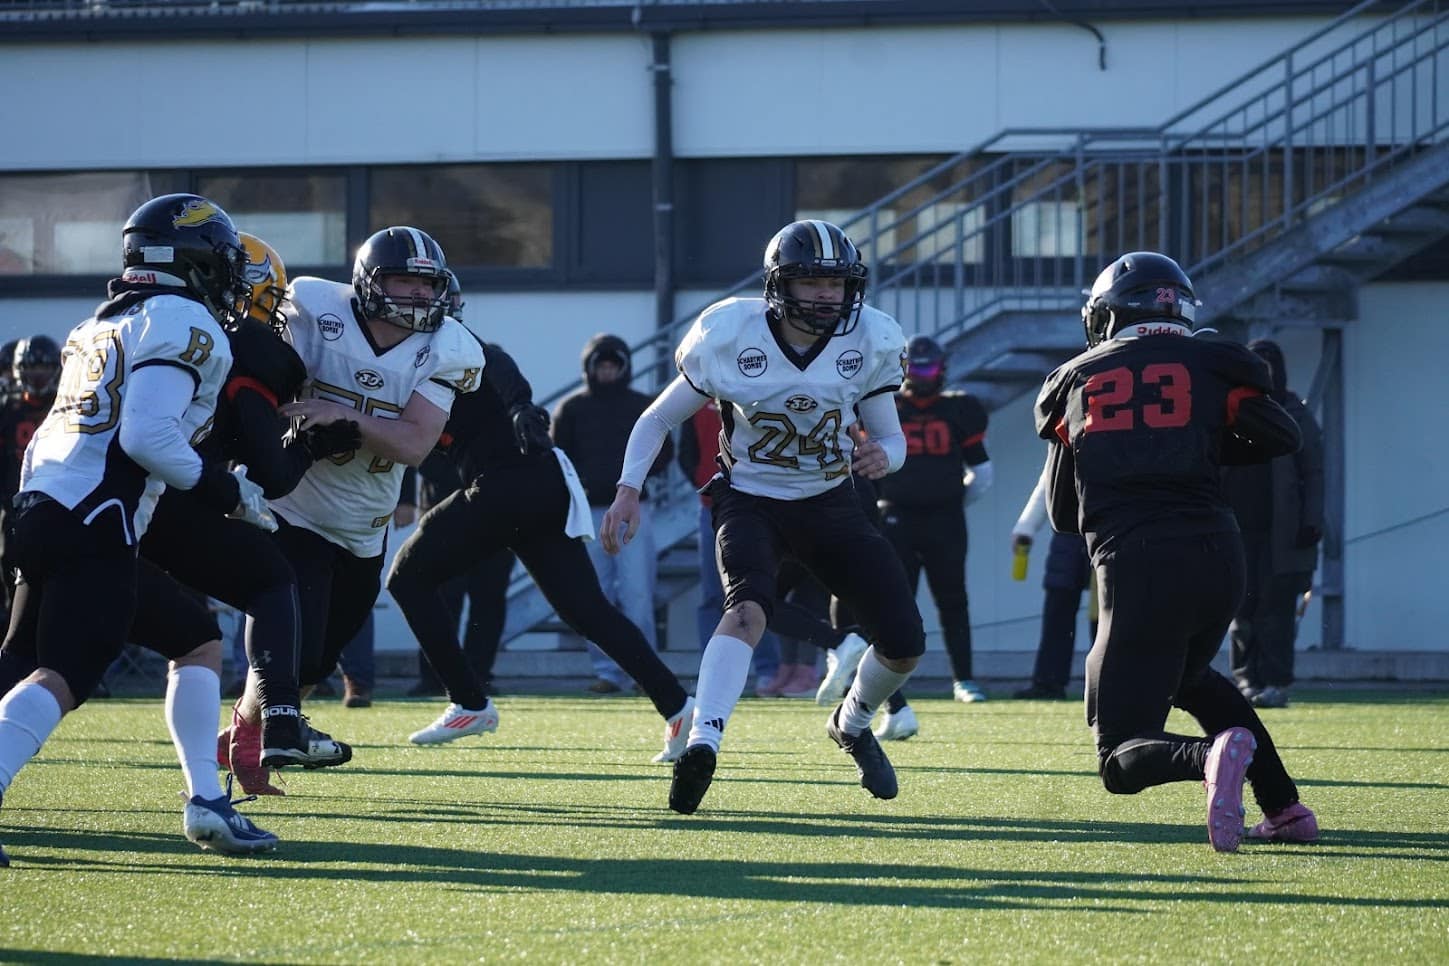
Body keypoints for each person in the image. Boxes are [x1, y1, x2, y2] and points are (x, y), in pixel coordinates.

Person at [603, 219, 924, 814]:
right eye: (812, 281)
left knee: (905, 643)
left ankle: (851, 724)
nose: (827, 294)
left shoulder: (870, 338)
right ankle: (704, 742)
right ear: (779, 285)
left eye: (837, 282)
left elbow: (892, 438)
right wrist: (628, 489)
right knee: (746, 609)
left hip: (830, 499)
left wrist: (887, 456)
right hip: (750, 497)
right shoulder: (731, 332)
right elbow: (658, 418)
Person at [0, 193, 279, 862]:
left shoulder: (98, 324)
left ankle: (207, 802)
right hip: (94, 517)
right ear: (193, 262)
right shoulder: (183, 319)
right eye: (222, 262)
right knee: (63, 674)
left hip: (44, 506)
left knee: (194, 638)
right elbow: (148, 435)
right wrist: (227, 491)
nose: (230, 278)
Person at [1034, 250, 1319, 851]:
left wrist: (1127, 454)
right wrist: (1194, 445)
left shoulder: (1078, 379)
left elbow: (1062, 515)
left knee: (1118, 754)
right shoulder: (1213, 363)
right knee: (1191, 677)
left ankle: (1208, 757)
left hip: (1138, 562)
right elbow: (1283, 435)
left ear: (1107, 315)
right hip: (1221, 556)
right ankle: (1284, 808)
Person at [386, 322, 696, 761]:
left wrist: (521, 405)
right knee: (589, 611)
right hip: (542, 486)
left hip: (505, 483)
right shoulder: (400, 366)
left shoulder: (451, 345)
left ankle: (469, 702)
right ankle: (677, 706)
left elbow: (493, 360)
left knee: (406, 578)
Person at [266, 226, 485, 768]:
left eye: (428, 284)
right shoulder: (314, 308)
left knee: (319, 659)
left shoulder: (447, 347)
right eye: (405, 281)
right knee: (292, 634)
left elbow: (413, 444)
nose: (420, 293)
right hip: (293, 503)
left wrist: (342, 415)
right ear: (369, 282)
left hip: (365, 524)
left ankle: (258, 731)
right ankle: (266, 733)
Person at [551, 334, 673, 694]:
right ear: (588, 369)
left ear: (625, 368)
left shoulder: (643, 407)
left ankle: (643, 674)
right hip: (589, 515)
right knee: (596, 597)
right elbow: (557, 458)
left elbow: (664, 450)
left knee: (638, 595)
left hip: (634, 512)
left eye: (613, 365)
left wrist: (634, 483)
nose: (606, 371)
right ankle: (607, 672)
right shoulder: (571, 409)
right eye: (600, 365)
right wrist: (581, 488)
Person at [876, 334, 994, 702]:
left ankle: (964, 680)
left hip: (944, 520)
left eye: (927, 369)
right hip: (895, 516)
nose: (922, 376)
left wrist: (950, 501)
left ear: (941, 369)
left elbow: (981, 472)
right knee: (894, 602)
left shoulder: (959, 408)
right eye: (916, 369)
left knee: (953, 600)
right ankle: (887, 685)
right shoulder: (884, 407)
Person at [1223, 339, 1323, 710]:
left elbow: (1314, 472)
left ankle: (1276, 682)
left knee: (1276, 610)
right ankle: (1247, 681)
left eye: (1269, 364)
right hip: (1235, 530)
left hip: (1283, 533)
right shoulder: (1229, 409)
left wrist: (1311, 521)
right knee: (1241, 610)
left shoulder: (1295, 413)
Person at [677, 396, 781, 692]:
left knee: (758, 591)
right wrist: (707, 485)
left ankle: (768, 669)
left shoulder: (757, 392)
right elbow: (687, 453)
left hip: (758, 504)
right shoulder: (697, 401)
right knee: (713, 594)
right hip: (712, 508)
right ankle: (712, 676)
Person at [1010, 476, 1095, 700]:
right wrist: (1025, 527)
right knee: (1058, 610)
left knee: (1106, 615)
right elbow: (1048, 482)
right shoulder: (1062, 451)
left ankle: (1107, 683)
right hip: (1069, 533)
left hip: (1108, 531)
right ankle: (1048, 682)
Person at [0, 335, 60, 619]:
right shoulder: (8, 409)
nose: (38, 374)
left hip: (59, 505)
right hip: (15, 507)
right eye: (31, 367)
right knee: (12, 571)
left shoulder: (65, 406)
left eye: (44, 367)